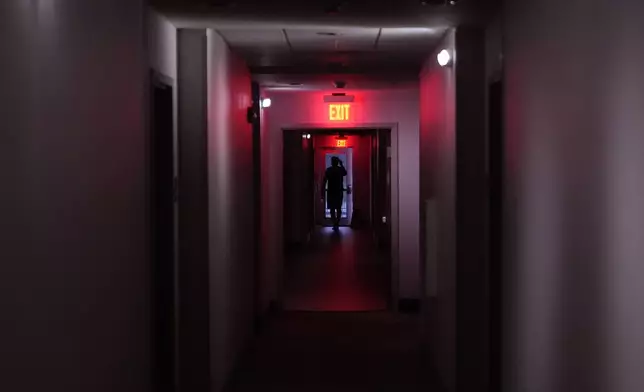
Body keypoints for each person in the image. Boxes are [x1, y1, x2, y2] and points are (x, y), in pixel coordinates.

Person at [322, 156, 347, 231]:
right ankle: (337, 223)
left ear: (332, 162)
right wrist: (341, 164)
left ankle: (334, 223)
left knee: (332, 209)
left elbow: (324, 181)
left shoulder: (328, 170)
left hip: (331, 191)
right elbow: (345, 173)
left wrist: (322, 191)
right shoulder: (340, 170)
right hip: (339, 191)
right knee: (338, 208)